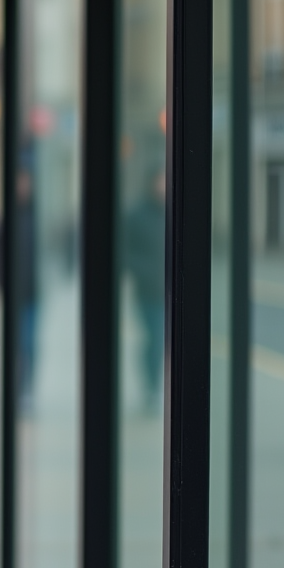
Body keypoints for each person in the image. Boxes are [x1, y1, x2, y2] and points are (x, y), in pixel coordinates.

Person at [124, 168, 166, 415]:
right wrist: (145, 270)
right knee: (154, 339)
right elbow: (124, 251)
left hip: (171, 291)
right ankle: (152, 388)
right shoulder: (136, 215)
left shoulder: (172, 212)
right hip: (148, 291)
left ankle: (157, 387)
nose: (163, 186)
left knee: (161, 341)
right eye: (160, 181)